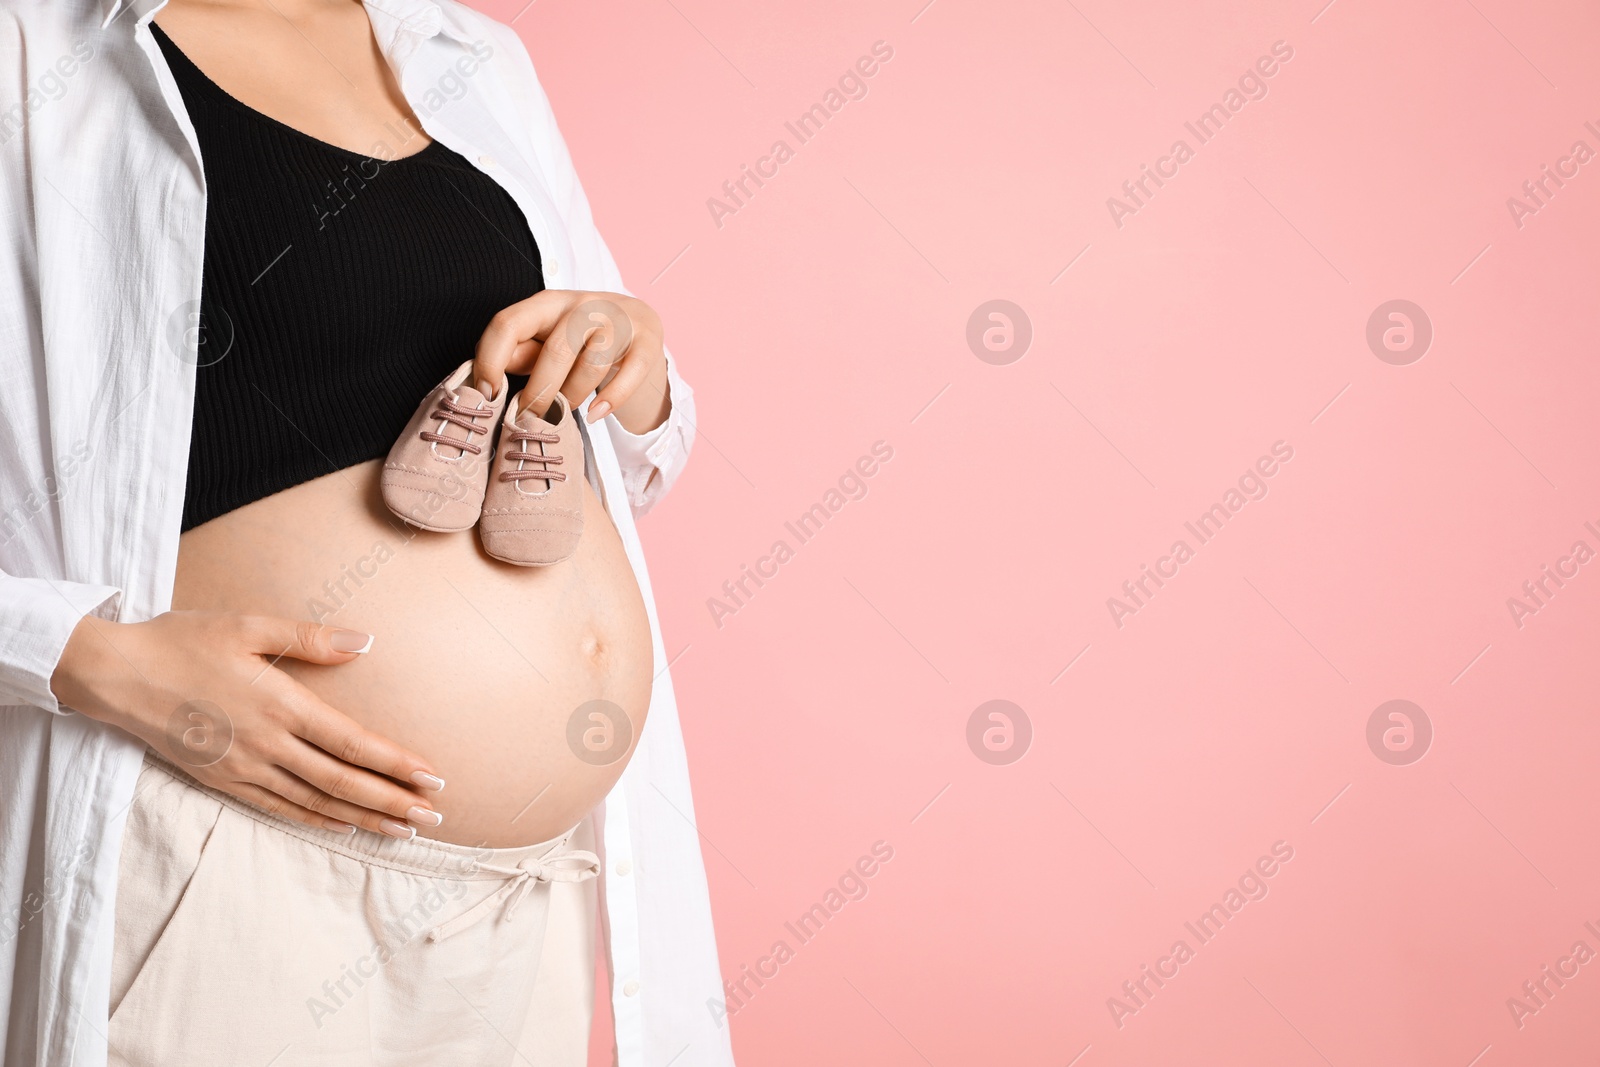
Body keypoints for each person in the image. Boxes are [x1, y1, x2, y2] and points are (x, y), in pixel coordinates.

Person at [0, 1, 735, 1064]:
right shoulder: (33, 52)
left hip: (527, 907)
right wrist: (85, 655)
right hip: (233, 860)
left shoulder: (473, 56)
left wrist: (635, 365)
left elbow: (618, 473)